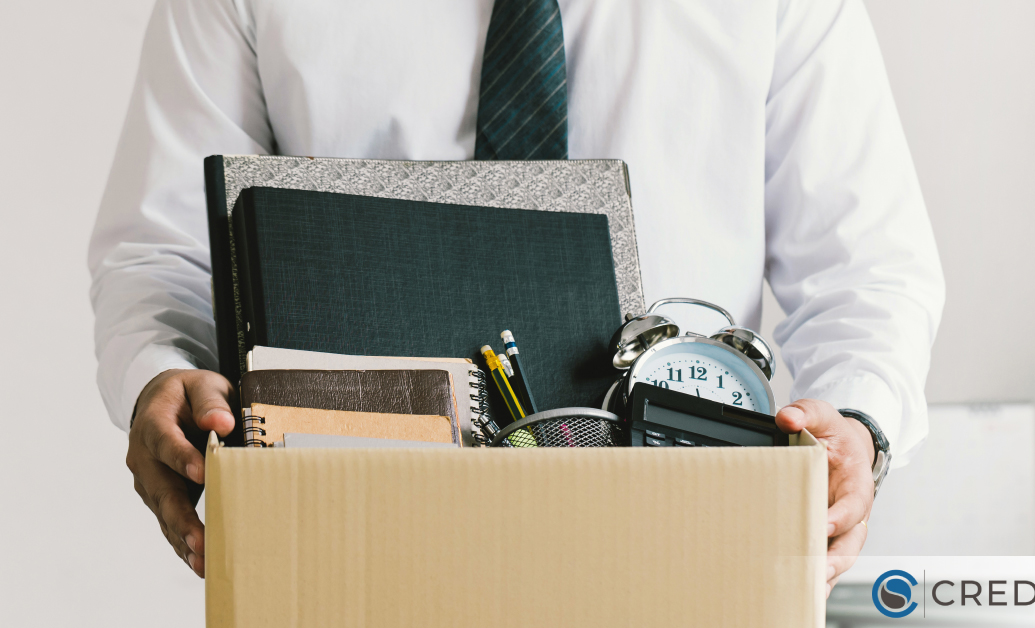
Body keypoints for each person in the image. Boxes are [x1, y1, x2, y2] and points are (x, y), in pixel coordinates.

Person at [90, 0, 944, 597]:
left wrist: (858, 427)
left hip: (685, 536)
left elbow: (866, 270)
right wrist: (158, 374)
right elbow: (163, 250)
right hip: (353, 541)